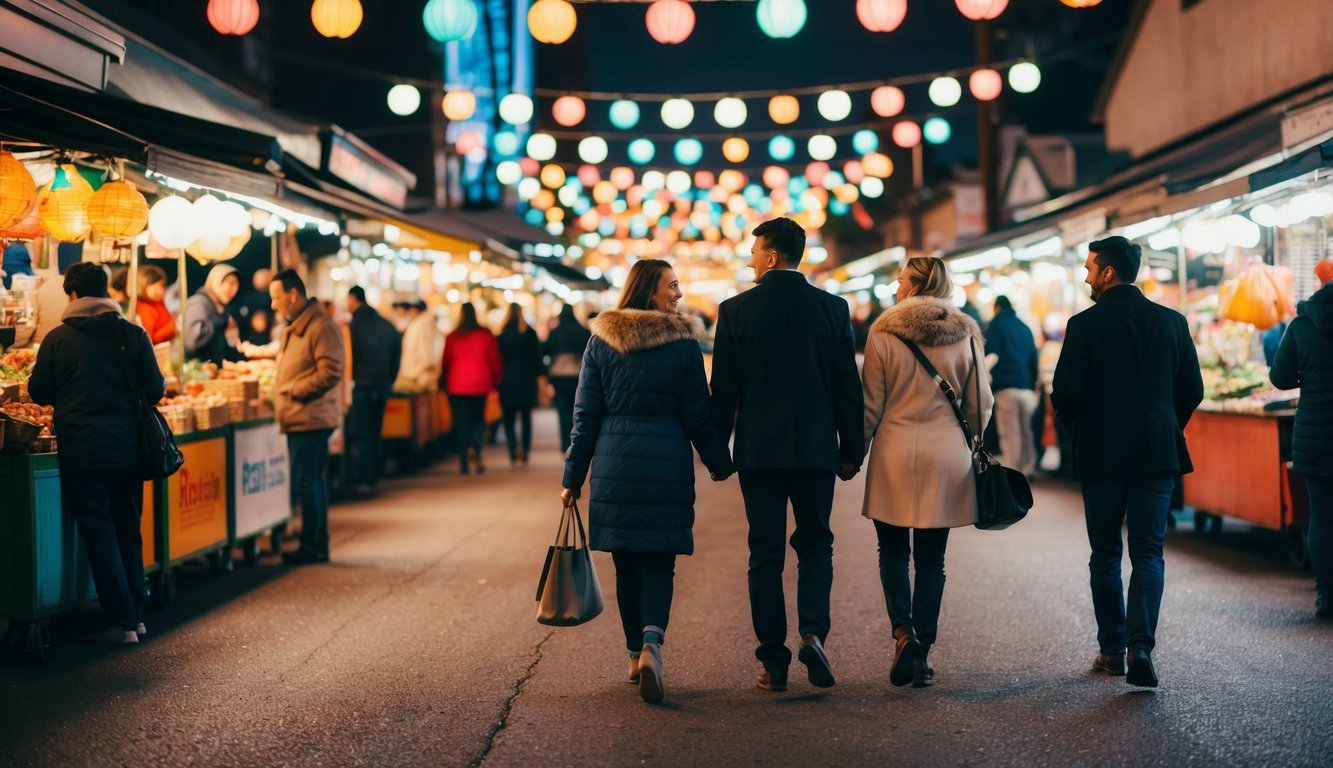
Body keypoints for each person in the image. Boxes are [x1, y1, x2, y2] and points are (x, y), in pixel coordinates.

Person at [561, 259, 733, 704]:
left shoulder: (601, 341)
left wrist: (572, 478)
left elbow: (585, 417)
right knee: (660, 560)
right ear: (649, 291)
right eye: (671, 286)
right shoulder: (681, 345)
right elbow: (697, 412)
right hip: (666, 461)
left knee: (626, 563)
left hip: (615, 462)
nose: (678, 294)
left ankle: (635, 653)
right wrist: (717, 460)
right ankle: (653, 641)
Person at [709, 216, 864, 692]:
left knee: (765, 552)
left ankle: (773, 659)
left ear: (772, 255)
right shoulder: (832, 309)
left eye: (755, 252)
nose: (751, 260)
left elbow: (725, 391)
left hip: (759, 451)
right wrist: (851, 450)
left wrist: (718, 453)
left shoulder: (735, 311)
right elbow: (846, 388)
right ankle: (814, 633)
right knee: (816, 544)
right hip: (816, 448)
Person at [1052, 236, 1203, 688]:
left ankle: (1112, 650)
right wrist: (1165, 422)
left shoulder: (1083, 326)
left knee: (1105, 553)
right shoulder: (1172, 322)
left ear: (1108, 272)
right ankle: (1141, 646)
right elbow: (1192, 389)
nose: (1086, 276)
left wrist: (1079, 427)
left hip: (1101, 453)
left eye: (1089, 267)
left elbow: (1066, 395)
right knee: (1148, 552)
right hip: (1157, 454)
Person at [860, 257, 993, 689]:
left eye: (900, 280)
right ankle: (922, 651)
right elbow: (981, 402)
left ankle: (903, 632)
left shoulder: (883, 332)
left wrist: (855, 452)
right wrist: (970, 438)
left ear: (916, 285)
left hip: (894, 453)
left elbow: (871, 405)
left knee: (893, 551)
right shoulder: (966, 331)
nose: (896, 287)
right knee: (933, 560)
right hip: (947, 454)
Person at [28, 262, 164, 644]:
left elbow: (39, 392)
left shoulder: (56, 339)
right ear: (105, 292)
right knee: (127, 532)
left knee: (100, 533)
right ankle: (135, 616)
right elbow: (155, 390)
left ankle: (121, 621)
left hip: (82, 450)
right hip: (127, 449)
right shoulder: (133, 334)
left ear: (71, 294)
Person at [1269, 259, 1333, 618]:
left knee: (1321, 516)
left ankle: (1326, 596)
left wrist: (1308, 375)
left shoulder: (1302, 324)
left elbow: (1279, 377)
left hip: (1314, 435)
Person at [270, 269, 345, 565]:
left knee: (308, 481)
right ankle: (315, 543)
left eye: (276, 297)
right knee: (311, 480)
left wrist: (294, 391)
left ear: (293, 295)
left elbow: (331, 370)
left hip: (309, 416)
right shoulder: (302, 323)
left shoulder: (319, 326)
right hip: (303, 416)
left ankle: (313, 545)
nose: (273, 304)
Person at [346, 286, 401, 493]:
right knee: (376, 429)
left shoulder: (352, 327)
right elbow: (397, 353)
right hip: (382, 385)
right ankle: (376, 472)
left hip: (360, 386)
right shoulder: (387, 325)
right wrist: (389, 379)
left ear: (353, 299)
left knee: (362, 432)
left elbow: (349, 359)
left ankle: (366, 477)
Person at [439, 303, 502, 475]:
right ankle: (475, 446)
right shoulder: (486, 335)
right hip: (480, 384)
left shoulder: (452, 336)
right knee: (478, 420)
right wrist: (496, 380)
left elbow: (445, 362)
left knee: (461, 423)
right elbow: (494, 360)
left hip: (456, 385)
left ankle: (463, 462)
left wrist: (443, 382)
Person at [985, 295, 1040, 479]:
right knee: (1026, 430)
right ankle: (1029, 467)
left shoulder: (996, 324)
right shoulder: (1024, 328)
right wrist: (1032, 385)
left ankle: (1015, 471)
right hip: (1026, 387)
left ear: (996, 308)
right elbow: (1034, 358)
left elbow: (992, 354)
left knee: (1010, 431)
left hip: (1006, 386)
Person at [496, 303, 542, 467]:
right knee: (526, 417)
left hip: (506, 381)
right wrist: (540, 376)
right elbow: (537, 358)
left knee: (508, 419)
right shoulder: (529, 333)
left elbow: (497, 360)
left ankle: (512, 452)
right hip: (526, 380)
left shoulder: (501, 334)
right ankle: (525, 451)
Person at [543, 303, 590, 453]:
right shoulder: (583, 332)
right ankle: (577, 441)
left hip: (559, 378)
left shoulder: (555, 332)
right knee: (578, 411)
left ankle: (565, 444)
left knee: (563, 411)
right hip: (578, 377)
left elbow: (544, 351)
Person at [184, 263, 244, 366]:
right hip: (196, 374)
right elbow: (194, 342)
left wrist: (242, 356)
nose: (229, 288)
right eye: (225, 282)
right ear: (214, 282)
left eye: (234, 283)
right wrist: (221, 321)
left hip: (212, 373)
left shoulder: (218, 306)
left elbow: (219, 344)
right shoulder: (199, 303)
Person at [396, 300, 440, 391]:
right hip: (417, 376)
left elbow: (427, 358)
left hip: (419, 378)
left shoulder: (422, 326)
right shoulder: (422, 324)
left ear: (415, 310)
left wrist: (413, 374)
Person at [133, 265, 176, 345]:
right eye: (156, 288)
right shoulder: (144, 308)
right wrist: (172, 327)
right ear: (143, 286)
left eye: (162, 286)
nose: (161, 291)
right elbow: (149, 340)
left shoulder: (157, 302)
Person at [232, 268, 275, 345]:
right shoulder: (248, 298)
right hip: (251, 340)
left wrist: (266, 316)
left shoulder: (273, 296)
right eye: (256, 278)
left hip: (270, 339)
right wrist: (251, 319)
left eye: (264, 277)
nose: (259, 280)